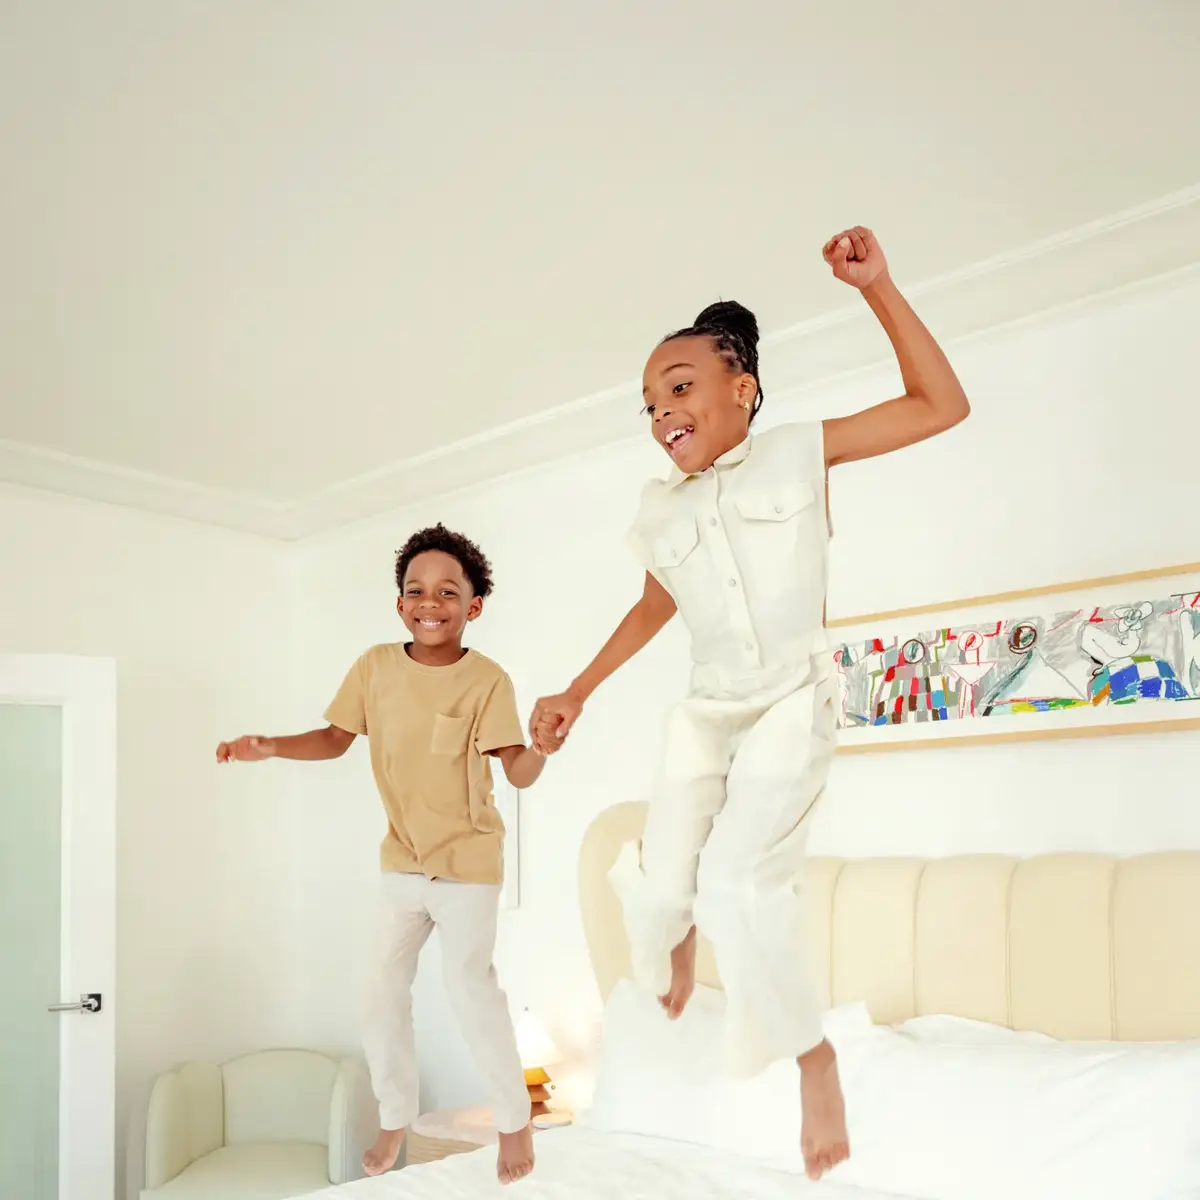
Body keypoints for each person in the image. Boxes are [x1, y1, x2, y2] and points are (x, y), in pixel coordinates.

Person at [530, 227, 970, 1181]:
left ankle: (813, 1059)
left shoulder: (797, 454)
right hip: (707, 705)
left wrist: (879, 287)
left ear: (743, 390)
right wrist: (576, 689)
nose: (661, 413)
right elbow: (656, 603)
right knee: (653, 893)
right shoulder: (661, 505)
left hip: (788, 699)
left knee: (735, 882)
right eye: (649, 403)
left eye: (679, 387)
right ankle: (675, 935)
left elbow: (942, 405)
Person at [217, 524, 545, 1184]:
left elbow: (518, 771)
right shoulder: (373, 667)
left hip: (469, 865)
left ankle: (515, 1121)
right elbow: (336, 738)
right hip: (402, 861)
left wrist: (541, 747)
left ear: (473, 606)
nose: (431, 602)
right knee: (379, 990)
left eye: (448, 592)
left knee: (469, 987)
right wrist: (271, 745)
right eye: (416, 590)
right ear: (400, 604)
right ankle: (396, 1114)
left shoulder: (488, 680)